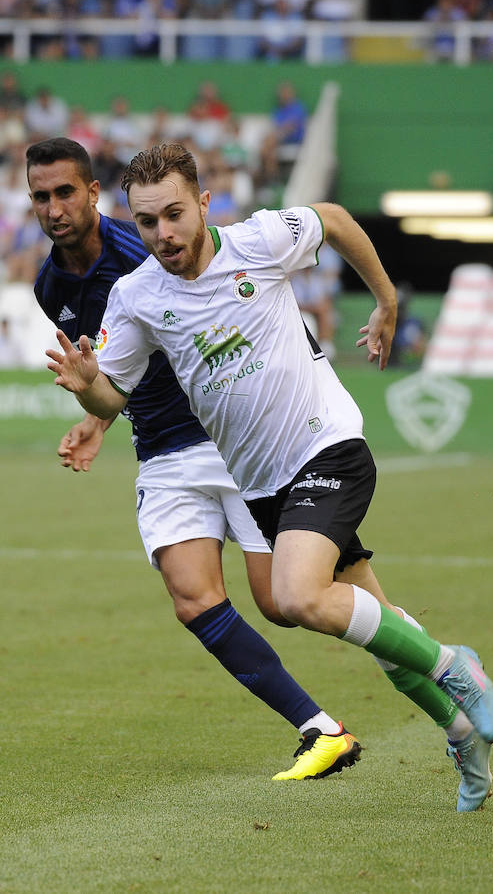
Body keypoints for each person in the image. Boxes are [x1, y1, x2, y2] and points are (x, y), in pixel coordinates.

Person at [47, 143, 493, 811]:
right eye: (146, 223)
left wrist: (384, 302)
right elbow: (113, 396)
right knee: (370, 621)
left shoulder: (261, 240)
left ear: (203, 205)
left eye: (175, 214)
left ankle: (451, 665)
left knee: (295, 596)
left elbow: (338, 221)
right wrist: (89, 391)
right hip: (261, 485)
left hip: (327, 447)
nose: (163, 234)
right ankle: (463, 735)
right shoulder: (135, 296)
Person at [26, 137, 358, 784]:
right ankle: (321, 729)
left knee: (280, 601)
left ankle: (406, 642)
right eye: (41, 196)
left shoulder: (147, 248)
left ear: (93, 194)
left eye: (66, 192)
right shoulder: (50, 285)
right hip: (163, 450)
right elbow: (118, 368)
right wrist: (96, 417)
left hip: (233, 443)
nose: (54, 207)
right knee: (193, 599)